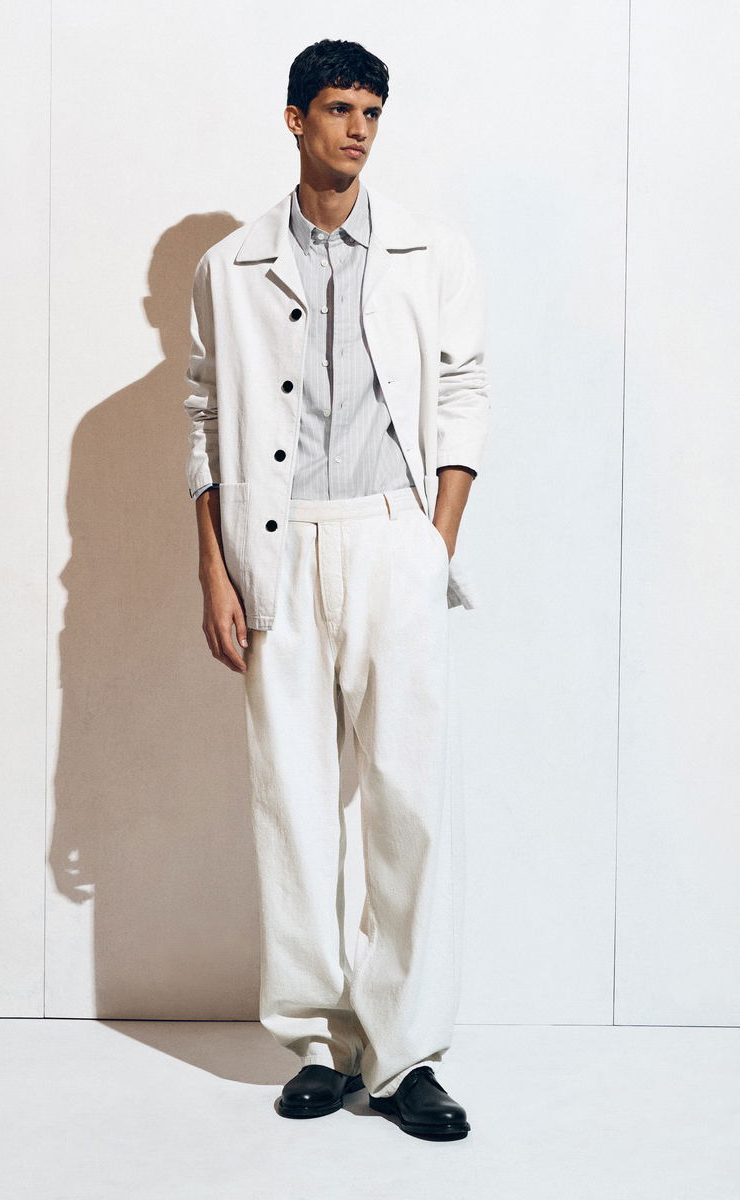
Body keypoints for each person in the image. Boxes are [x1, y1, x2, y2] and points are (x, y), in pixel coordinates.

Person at [183, 38, 490, 1141]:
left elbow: (461, 389)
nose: (358, 129)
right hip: (274, 547)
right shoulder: (229, 266)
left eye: (371, 111)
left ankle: (405, 1057)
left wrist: (433, 543)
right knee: (295, 802)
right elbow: (204, 416)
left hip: (390, 539)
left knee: (407, 800)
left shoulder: (428, 251)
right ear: (294, 119)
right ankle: (316, 1042)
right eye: (338, 109)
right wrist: (213, 566)